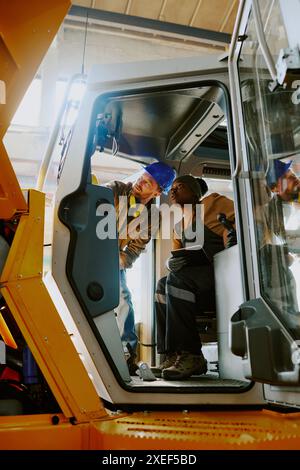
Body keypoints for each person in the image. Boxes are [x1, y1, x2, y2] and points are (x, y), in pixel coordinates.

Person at [154, 175, 235, 380]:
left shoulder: (212, 203)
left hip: (222, 278)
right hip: (196, 283)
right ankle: (173, 355)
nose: (173, 191)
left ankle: (192, 355)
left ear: (195, 193)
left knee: (178, 280)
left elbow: (241, 221)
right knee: (163, 284)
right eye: (172, 187)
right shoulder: (179, 227)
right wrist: (169, 264)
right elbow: (176, 258)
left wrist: (233, 239)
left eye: (180, 187)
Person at [107, 162, 176, 374]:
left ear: (157, 191)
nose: (141, 182)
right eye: (142, 176)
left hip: (111, 260)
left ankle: (126, 355)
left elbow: (134, 251)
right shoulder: (115, 190)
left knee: (123, 299)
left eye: (149, 182)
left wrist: (118, 259)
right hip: (89, 250)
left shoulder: (152, 217)